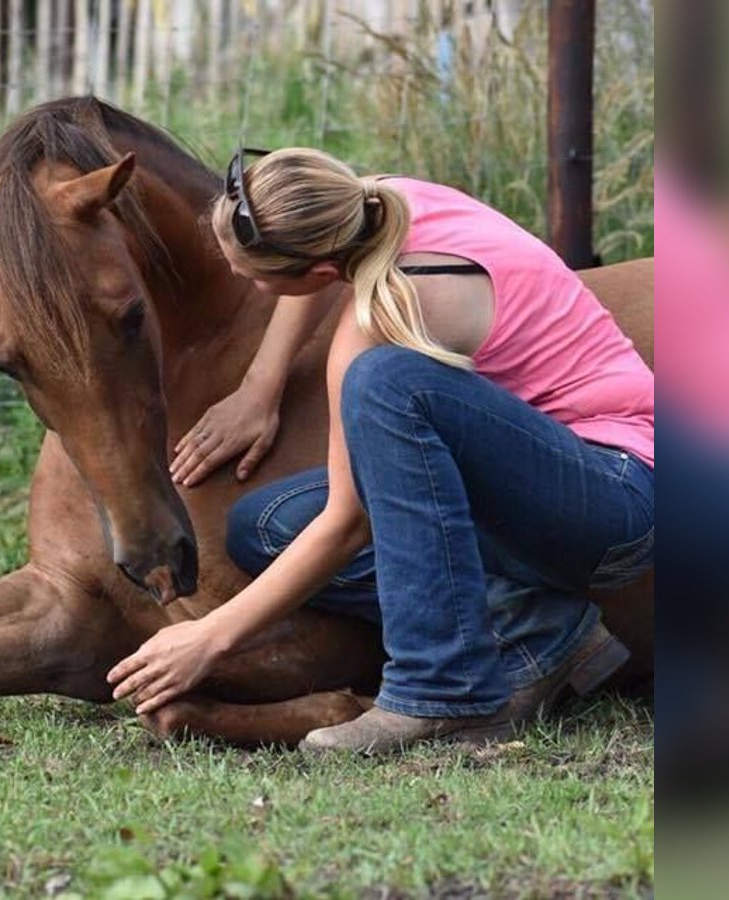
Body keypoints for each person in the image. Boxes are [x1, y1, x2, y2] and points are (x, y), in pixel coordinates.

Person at [106, 148, 654, 753]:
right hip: (542, 484)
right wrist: (262, 385)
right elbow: (313, 266)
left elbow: (346, 524)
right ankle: (537, 629)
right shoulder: (378, 200)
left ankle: (443, 689)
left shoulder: (380, 323)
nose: (243, 281)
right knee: (265, 523)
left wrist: (210, 636)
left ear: (316, 271)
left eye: (255, 276)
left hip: (612, 499)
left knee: (387, 384)